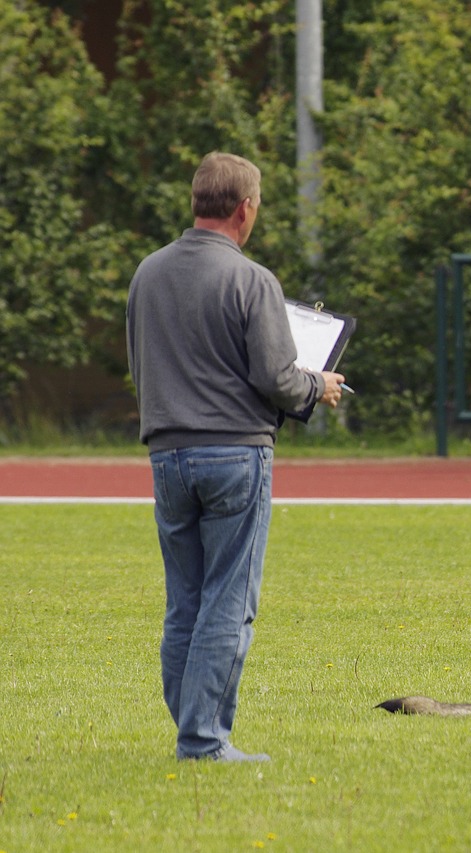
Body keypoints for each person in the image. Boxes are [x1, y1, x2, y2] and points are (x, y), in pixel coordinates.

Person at [126, 151, 344, 762]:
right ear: (245, 209)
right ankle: (202, 740)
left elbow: (141, 362)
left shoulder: (147, 272)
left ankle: (192, 725)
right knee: (229, 600)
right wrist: (316, 387)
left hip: (166, 454)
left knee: (186, 600)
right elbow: (276, 377)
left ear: (197, 201)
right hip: (234, 455)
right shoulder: (252, 280)